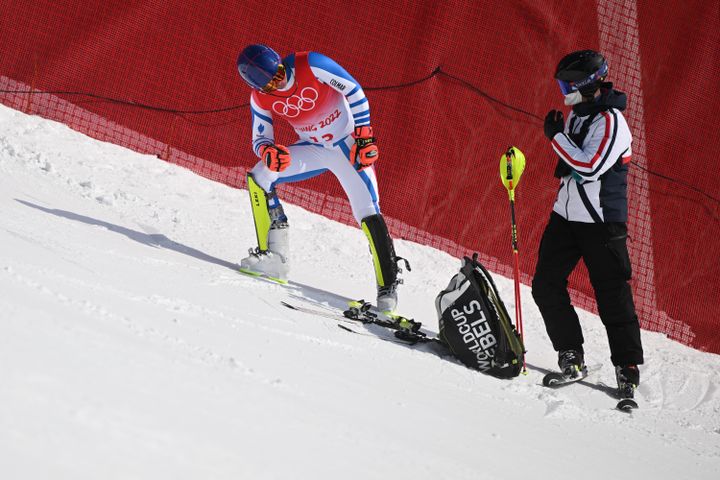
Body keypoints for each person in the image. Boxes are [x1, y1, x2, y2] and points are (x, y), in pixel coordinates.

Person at [235, 44, 406, 312]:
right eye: (269, 86)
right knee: (260, 176)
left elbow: (354, 91)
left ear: (281, 63)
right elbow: (260, 137)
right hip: (314, 149)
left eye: (279, 74)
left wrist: (364, 134)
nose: (278, 85)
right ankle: (274, 258)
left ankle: (388, 290)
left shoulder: (311, 64)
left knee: (368, 210)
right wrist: (267, 151)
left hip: (347, 147)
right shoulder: (259, 98)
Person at [531, 50, 644, 398]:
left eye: (567, 84)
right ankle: (571, 355)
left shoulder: (611, 122)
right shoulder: (578, 115)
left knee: (612, 296)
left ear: (584, 85)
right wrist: (561, 136)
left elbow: (590, 166)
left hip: (601, 224)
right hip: (566, 218)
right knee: (545, 285)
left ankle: (626, 369)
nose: (563, 90)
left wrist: (555, 137)